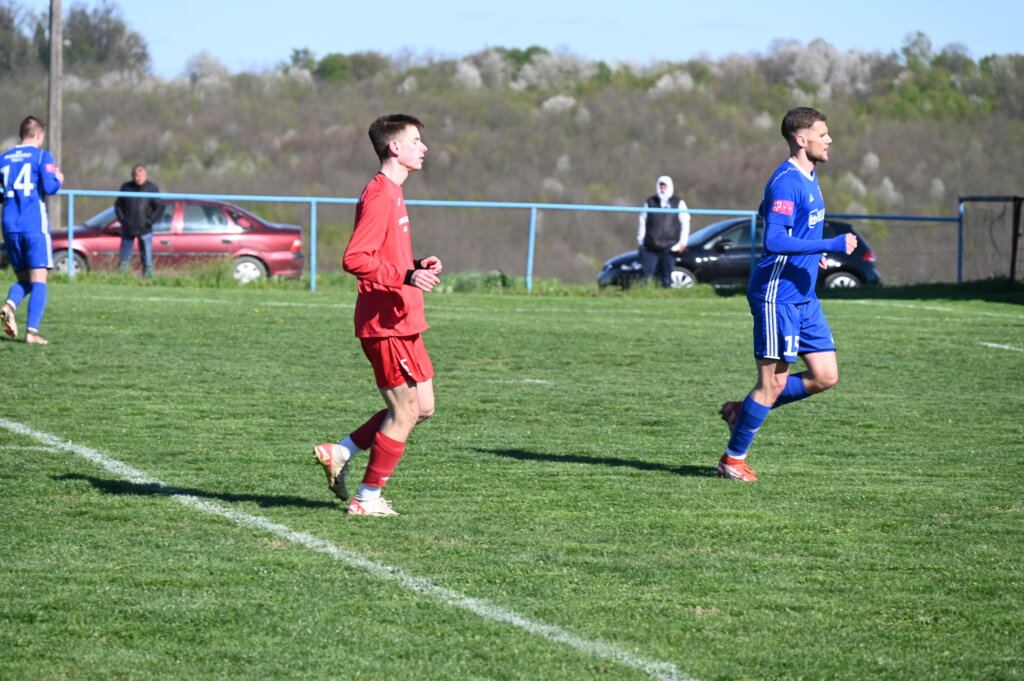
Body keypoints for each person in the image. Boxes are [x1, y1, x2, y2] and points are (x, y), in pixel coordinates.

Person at [716, 107, 857, 481]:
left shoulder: (808, 176)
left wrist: (812, 253)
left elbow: (775, 215)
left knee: (825, 376)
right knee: (772, 383)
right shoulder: (787, 181)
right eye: (822, 134)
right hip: (777, 294)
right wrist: (829, 243)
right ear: (801, 139)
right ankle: (732, 460)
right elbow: (775, 239)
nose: (829, 140)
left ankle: (741, 411)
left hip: (804, 294)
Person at [313, 113, 442, 516]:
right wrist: (405, 275)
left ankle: (341, 451)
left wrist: (415, 265)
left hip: (404, 319)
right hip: (385, 323)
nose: (423, 147)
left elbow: (385, 256)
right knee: (404, 411)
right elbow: (355, 258)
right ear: (395, 147)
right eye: (416, 140)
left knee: (423, 408)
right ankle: (367, 499)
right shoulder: (381, 194)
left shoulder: (394, 191)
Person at [0, 116, 64, 345]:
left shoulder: (4, 159)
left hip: (10, 226)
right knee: (39, 280)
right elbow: (50, 187)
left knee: (25, 280)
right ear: (39, 135)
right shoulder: (42, 156)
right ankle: (32, 333)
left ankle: (9, 306)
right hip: (33, 225)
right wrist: (58, 179)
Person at [637, 175, 690, 287]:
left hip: (670, 247)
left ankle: (665, 294)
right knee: (647, 276)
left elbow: (685, 223)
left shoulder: (678, 203)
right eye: (661, 187)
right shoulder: (650, 202)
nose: (662, 190)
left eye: (665, 187)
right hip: (650, 246)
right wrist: (641, 242)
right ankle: (646, 294)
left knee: (666, 278)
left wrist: (683, 242)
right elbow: (642, 222)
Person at [114, 164, 163, 277]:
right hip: (128, 228)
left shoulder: (151, 188)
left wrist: (149, 221)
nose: (139, 178)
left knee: (147, 256)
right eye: (137, 175)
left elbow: (159, 207)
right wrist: (123, 220)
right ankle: (123, 277)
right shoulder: (126, 187)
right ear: (133, 176)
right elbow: (118, 205)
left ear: (146, 176)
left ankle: (148, 277)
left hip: (145, 228)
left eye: (141, 176)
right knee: (125, 256)